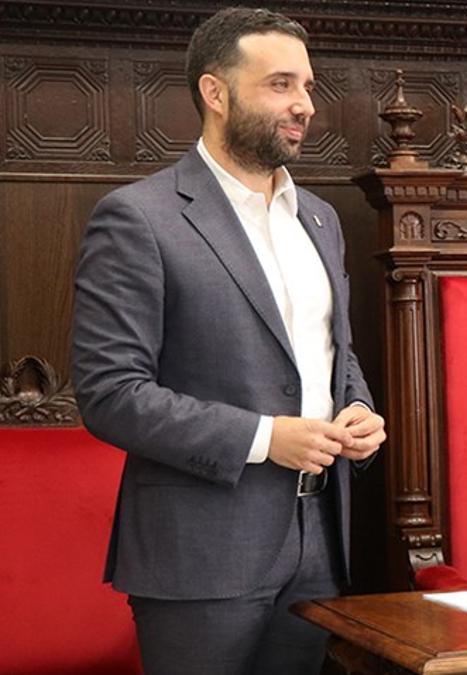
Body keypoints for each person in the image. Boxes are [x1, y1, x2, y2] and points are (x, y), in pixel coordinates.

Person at [71, 7, 384, 674]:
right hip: (199, 557)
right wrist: (269, 437)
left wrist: (355, 408)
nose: (304, 105)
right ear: (216, 93)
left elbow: (332, 350)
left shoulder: (320, 220)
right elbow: (110, 394)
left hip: (320, 546)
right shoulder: (138, 218)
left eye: (307, 86)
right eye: (280, 85)